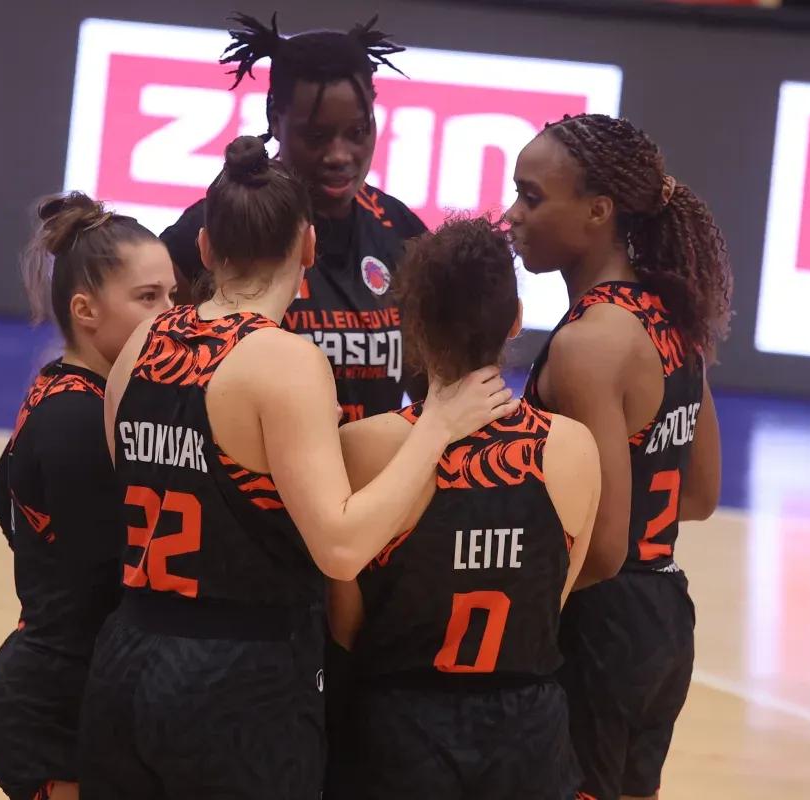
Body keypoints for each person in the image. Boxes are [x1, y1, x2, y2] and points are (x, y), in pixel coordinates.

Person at [77, 136, 517, 800]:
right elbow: (340, 546)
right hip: (239, 678)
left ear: (203, 248)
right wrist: (438, 425)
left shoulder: (143, 338)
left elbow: (129, 476)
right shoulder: (283, 359)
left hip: (127, 656)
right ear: (308, 246)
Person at [325, 214, 602, 800]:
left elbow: (344, 625)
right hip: (528, 736)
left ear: (414, 327)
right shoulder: (573, 448)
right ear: (517, 322)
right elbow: (550, 597)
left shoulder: (363, 446)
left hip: (399, 732)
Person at [504, 113, 731, 800]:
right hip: (662, 613)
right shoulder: (670, 319)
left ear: (598, 211)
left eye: (532, 196)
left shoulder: (588, 345)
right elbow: (700, 494)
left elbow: (601, 547)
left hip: (599, 619)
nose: (512, 215)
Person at [0, 192, 176, 800]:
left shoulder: (64, 388)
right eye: (148, 299)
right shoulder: (77, 421)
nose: (170, 314)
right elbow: (117, 577)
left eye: (173, 295)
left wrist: (46, 573)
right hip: (53, 708)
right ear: (85, 310)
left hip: (62, 681)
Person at [160, 12, 428, 423]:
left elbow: (436, 389)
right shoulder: (218, 226)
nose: (340, 156)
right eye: (316, 137)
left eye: (357, 132)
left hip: (380, 483)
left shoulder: (400, 230)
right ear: (274, 120)